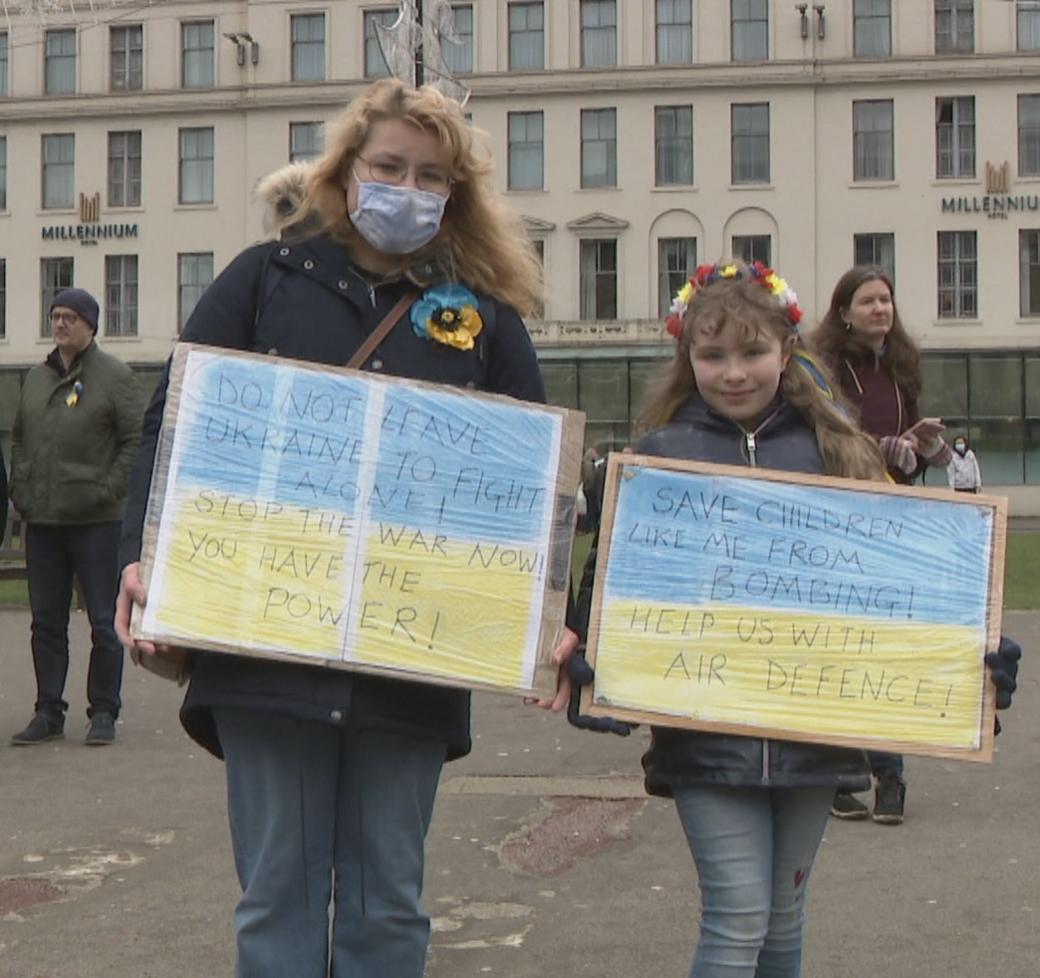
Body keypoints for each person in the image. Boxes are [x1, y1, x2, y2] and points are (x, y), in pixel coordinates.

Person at [114, 79, 570, 978]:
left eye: (431, 175)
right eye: (390, 166)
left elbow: (538, 485)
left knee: (386, 908)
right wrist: (146, 560)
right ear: (347, 171)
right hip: (265, 656)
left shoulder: (484, 316)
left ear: (456, 193)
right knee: (276, 904)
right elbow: (175, 424)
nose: (408, 187)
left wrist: (543, 610)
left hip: (411, 662)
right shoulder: (259, 280)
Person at [553, 261, 1021, 978]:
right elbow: (608, 591)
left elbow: (907, 582)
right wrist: (591, 648)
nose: (733, 372)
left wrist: (973, 654)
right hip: (705, 735)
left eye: (752, 352)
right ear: (688, 358)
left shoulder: (838, 453)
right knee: (738, 916)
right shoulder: (657, 460)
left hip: (814, 735)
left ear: (787, 351)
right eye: (712, 356)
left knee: (781, 921)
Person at [809, 265, 952, 824]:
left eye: (886, 300)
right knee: (845, 645)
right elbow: (825, 435)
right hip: (841, 520)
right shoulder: (823, 369)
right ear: (843, 311)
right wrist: (880, 448)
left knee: (884, 644)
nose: (880, 310)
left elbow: (908, 439)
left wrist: (928, 449)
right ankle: (844, 768)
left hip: (893, 518)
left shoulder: (901, 367)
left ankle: (889, 777)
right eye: (868, 301)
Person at [8, 287, 142, 747]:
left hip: (97, 522)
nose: (60, 324)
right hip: (43, 521)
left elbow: (134, 442)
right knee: (46, 622)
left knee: (104, 621)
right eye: (55, 316)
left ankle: (103, 710)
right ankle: (48, 711)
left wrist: (107, 490)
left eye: (70, 317)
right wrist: (21, 487)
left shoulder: (116, 377)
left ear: (90, 325)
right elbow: (21, 438)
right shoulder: (36, 379)